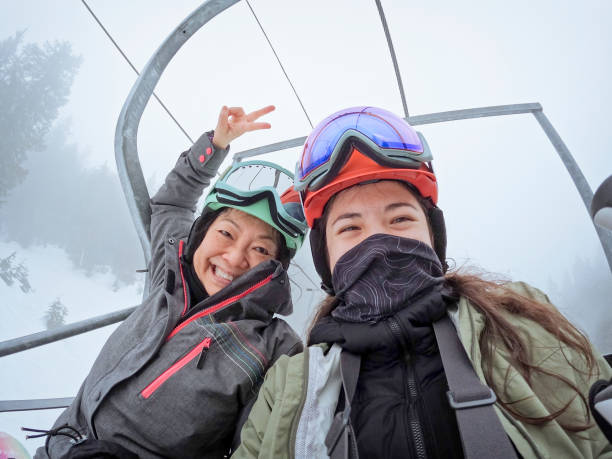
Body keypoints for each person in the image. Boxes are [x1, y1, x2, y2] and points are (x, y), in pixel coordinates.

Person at [233, 106, 612, 458]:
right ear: (326, 258)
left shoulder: (518, 321)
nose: (376, 243)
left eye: (400, 220)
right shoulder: (289, 385)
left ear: (433, 236)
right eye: (350, 227)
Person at [34, 105, 309, 458]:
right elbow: (172, 204)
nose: (235, 257)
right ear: (201, 232)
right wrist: (215, 145)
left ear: (275, 267)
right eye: (226, 232)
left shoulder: (273, 349)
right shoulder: (169, 272)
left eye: (259, 249)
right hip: (57, 446)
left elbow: (255, 451)